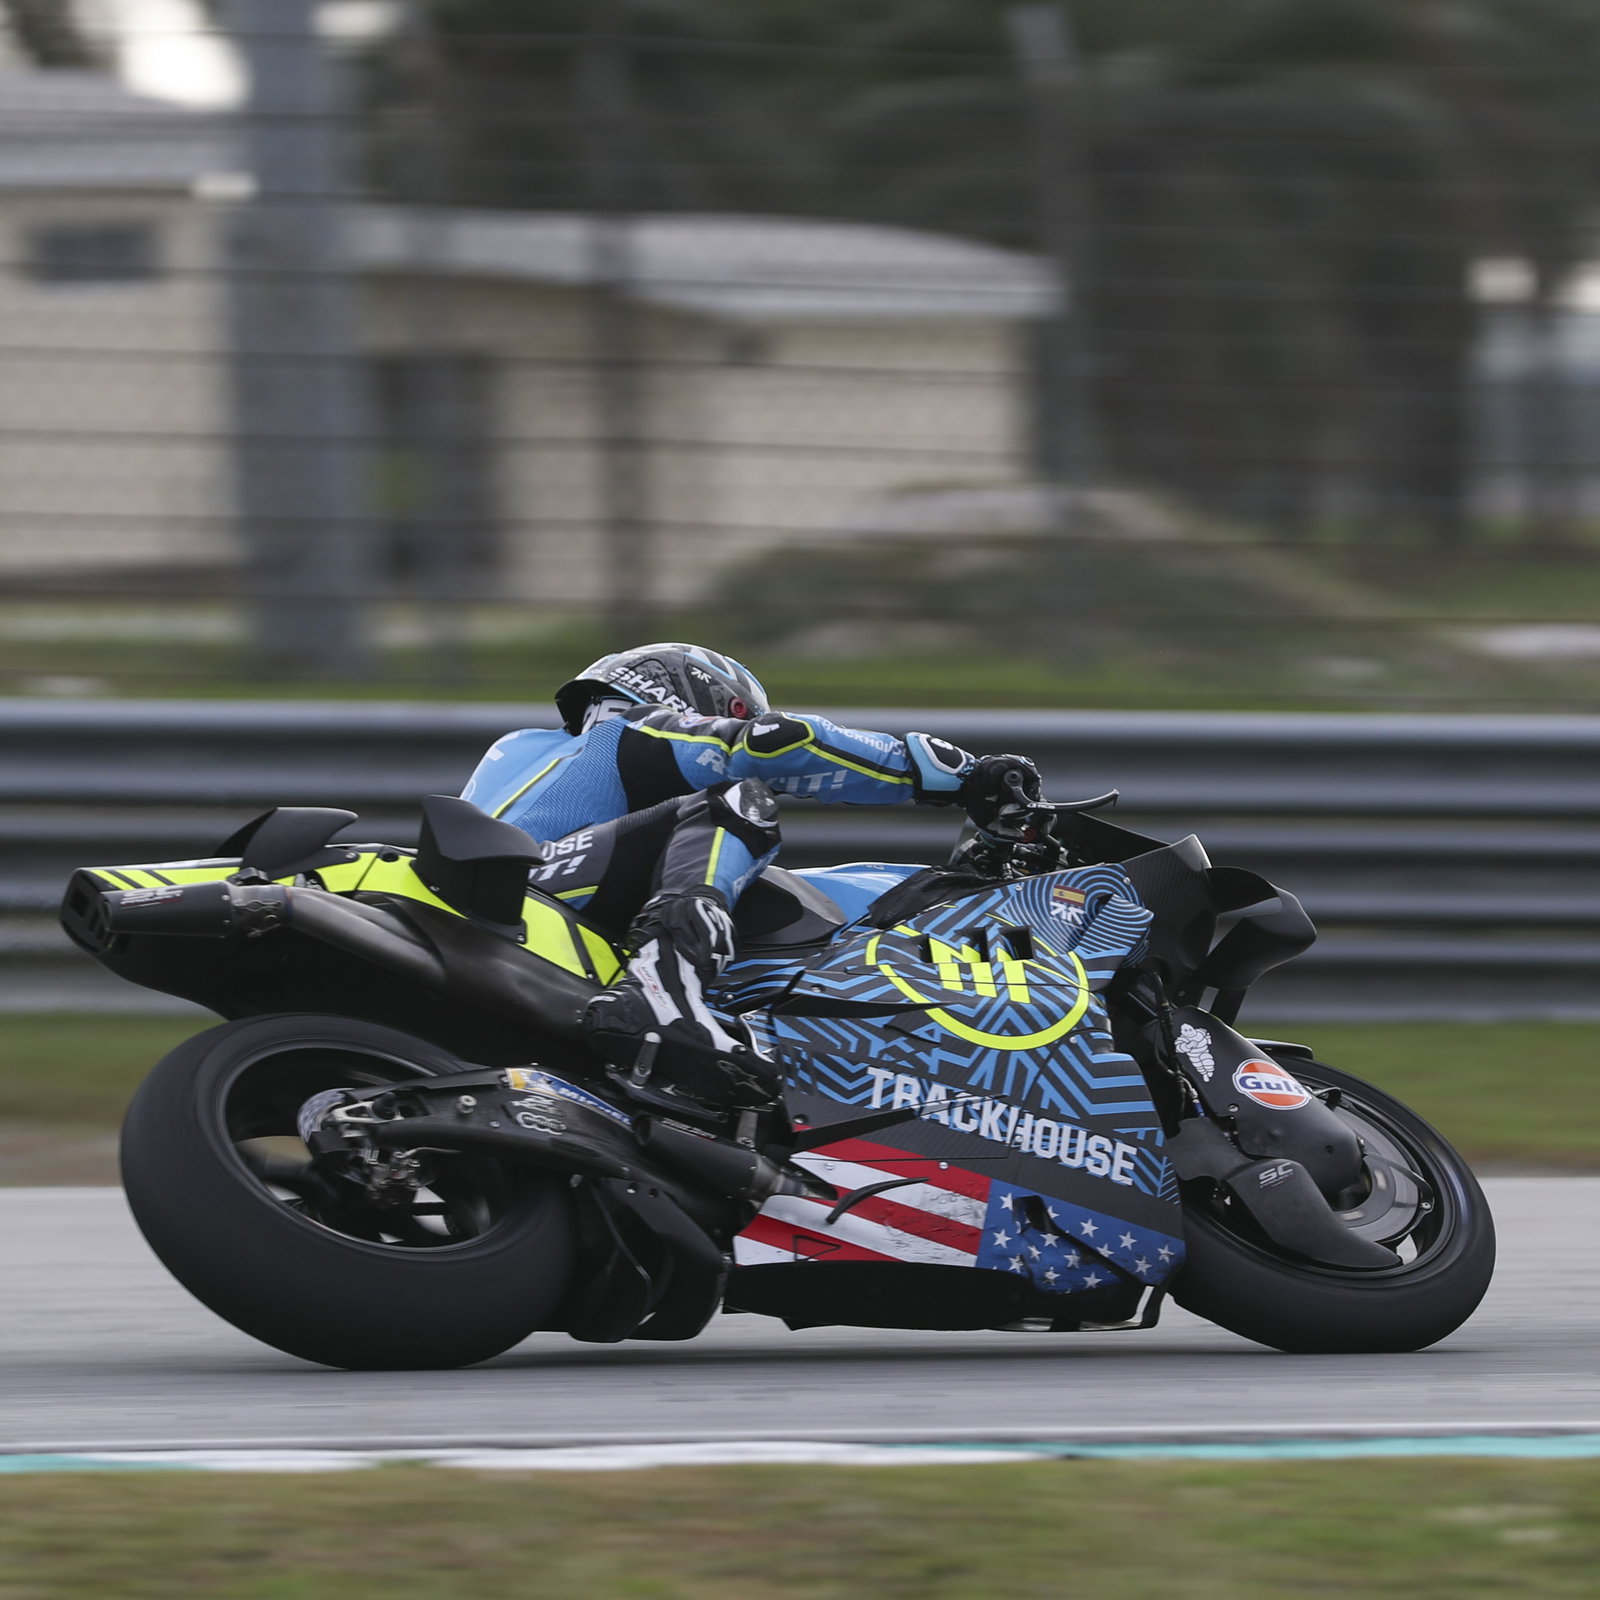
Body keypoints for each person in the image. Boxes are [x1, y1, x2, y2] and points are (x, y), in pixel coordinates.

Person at [461, 644, 1041, 1108]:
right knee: (738, 802)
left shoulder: (526, 753)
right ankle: (662, 994)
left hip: (512, 915)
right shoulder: (627, 731)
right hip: (535, 895)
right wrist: (960, 776)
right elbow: (775, 745)